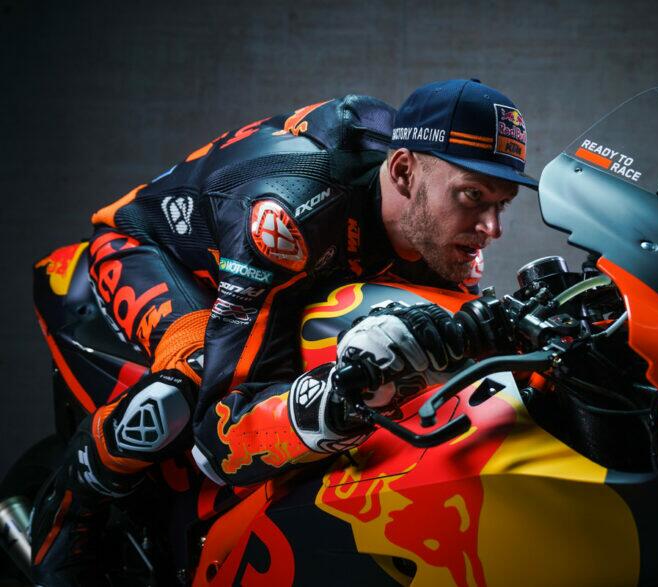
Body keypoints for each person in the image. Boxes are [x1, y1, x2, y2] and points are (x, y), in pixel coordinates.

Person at [29, 78, 537, 585]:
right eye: (472, 195)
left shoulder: (439, 236)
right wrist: (338, 398)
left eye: (502, 204)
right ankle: (74, 507)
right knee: (186, 381)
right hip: (153, 252)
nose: (492, 229)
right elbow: (219, 435)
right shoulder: (286, 217)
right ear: (403, 170)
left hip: (282, 272)